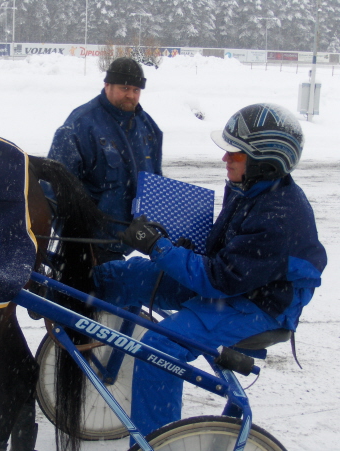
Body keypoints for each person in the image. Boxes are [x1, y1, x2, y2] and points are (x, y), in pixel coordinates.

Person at [93, 103, 327, 437]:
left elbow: (218, 279)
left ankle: (160, 442)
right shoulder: (248, 186)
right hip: (234, 282)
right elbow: (224, 250)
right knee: (127, 275)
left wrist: (159, 247)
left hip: (258, 305)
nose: (225, 159)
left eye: (235, 154)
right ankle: (74, 295)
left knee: (158, 350)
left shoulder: (280, 216)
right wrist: (177, 241)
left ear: (264, 162)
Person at [47, 57, 163, 263]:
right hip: (92, 245)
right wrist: (75, 242)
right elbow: (55, 190)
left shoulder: (149, 129)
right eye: (124, 88)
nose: (131, 95)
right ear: (107, 85)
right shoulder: (80, 125)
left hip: (135, 243)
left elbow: (156, 183)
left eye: (136, 90)